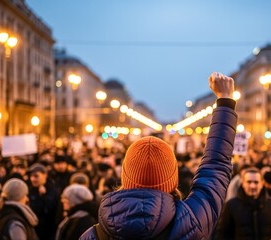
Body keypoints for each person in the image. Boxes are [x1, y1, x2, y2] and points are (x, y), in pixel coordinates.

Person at [80, 72, 237, 239]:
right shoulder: (191, 223)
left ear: (125, 176)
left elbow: (215, 168)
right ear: (172, 180)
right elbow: (215, 167)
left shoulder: (93, 235)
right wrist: (225, 101)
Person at [216, 168, 271, 240]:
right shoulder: (231, 205)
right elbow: (223, 234)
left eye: (256, 182)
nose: (252, 186)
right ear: (243, 183)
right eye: (249, 182)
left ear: (262, 184)